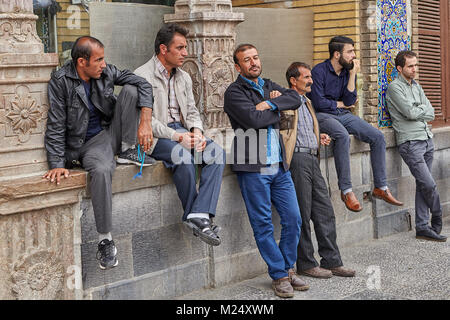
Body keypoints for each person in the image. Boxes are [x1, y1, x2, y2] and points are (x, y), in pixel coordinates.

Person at [44, 36, 156, 270]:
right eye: (98, 60)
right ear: (81, 62)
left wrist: (145, 121)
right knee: (102, 169)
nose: (104, 64)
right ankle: (105, 239)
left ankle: (127, 150)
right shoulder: (61, 80)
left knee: (132, 91)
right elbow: (55, 124)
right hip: (87, 143)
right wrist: (56, 162)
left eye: (103, 59)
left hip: (111, 132)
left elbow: (143, 84)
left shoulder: (106, 72)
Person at [224, 44, 309, 298]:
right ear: (238, 67)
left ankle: (288, 267)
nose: (253, 63)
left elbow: (296, 98)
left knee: (294, 218)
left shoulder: (269, 83)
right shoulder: (233, 92)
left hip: (280, 167)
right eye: (246, 60)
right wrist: (278, 109)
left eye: (256, 57)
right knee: (262, 225)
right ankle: (280, 275)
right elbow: (253, 121)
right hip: (253, 167)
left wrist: (271, 105)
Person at [134, 23, 225, 246]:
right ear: (164, 49)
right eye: (180, 48)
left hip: (182, 132)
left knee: (217, 154)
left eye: (185, 47)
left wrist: (196, 131)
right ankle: (198, 217)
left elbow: (192, 111)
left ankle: (198, 214)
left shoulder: (183, 77)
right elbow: (145, 122)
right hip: (156, 138)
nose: (185, 53)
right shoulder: (141, 76)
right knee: (182, 157)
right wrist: (178, 138)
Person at [308, 36, 403, 212]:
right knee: (342, 136)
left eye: (354, 51)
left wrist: (352, 74)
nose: (354, 55)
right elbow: (319, 103)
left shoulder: (346, 72)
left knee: (377, 137)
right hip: (322, 116)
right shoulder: (318, 71)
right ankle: (346, 191)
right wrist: (341, 104)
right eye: (350, 52)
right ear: (337, 54)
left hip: (342, 114)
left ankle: (380, 187)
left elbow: (350, 100)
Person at [285, 62, 356, 278]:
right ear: (293, 80)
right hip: (297, 160)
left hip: (312, 158)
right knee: (303, 213)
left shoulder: (306, 102)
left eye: (310, 77)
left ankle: (332, 261)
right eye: (306, 77)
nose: (311, 81)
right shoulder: (287, 101)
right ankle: (306, 263)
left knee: (325, 210)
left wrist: (318, 137)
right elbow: (284, 131)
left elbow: (304, 129)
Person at [386, 50, 447, 242]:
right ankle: (437, 216)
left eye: (415, 65)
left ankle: (422, 227)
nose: (414, 69)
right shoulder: (395, 88)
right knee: (428, 184)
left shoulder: (416, 86)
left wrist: (419, 110)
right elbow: (410, 113)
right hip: (410, 143)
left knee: (423, 185)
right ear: (400, 68)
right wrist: (421, 110)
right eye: (410, 66)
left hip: (427, 139)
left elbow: (431, 111)